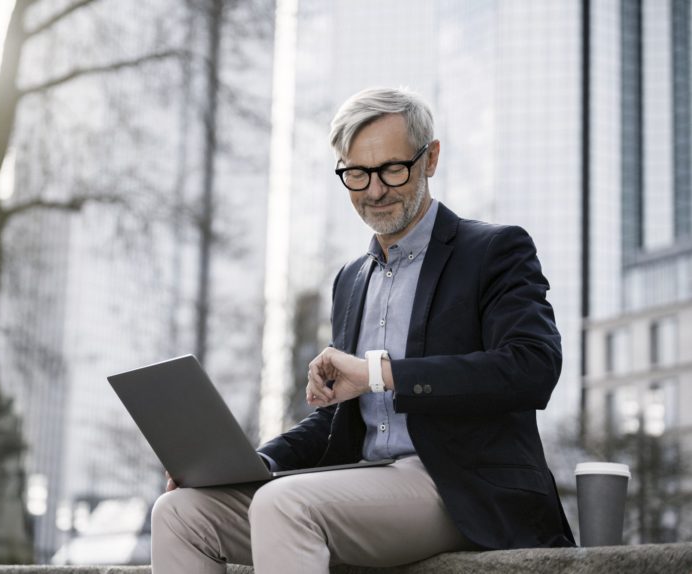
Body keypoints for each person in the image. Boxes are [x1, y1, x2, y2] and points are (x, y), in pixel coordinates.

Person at [150, 87, 575, 574]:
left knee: (286, 505)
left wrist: (381, 373)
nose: (374, 191)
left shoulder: (493, 251)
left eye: (392, 169)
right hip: (363, 483)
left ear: (430, 158)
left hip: (464, 489)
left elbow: (532, 367)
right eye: (356, 174)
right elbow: (338, 420)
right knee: (181, 511)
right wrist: (252, 465)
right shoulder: (351, 279)